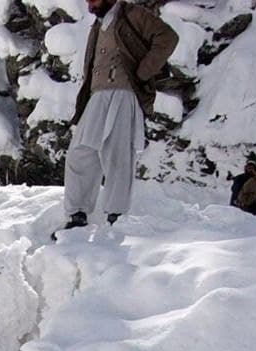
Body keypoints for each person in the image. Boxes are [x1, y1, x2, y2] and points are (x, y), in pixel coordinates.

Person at [54, 0, 178, 238]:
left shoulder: (133, 14)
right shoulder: (97, 25)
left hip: (124, 93)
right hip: (98, 96)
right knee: (80, 152)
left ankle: (116, 216)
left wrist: (142, 72)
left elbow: (168, 37)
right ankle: (77, 214)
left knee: (118, 154)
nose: (89, 2)